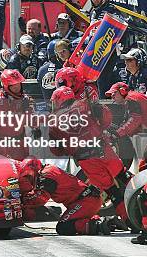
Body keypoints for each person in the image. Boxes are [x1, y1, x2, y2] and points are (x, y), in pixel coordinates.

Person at [50, 86, 131, 224]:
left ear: (58, 100)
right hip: (103, 150)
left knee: (112, 191)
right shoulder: (85, 104)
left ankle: (130, 221)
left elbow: (57, 150)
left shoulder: (54, 120)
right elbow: (107, 119)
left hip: (86, 159)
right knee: (124, 176)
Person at [17, 158, 110, 235]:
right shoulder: (49, 170)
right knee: (71, 221)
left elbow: (40, 199)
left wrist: (20, 201)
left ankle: (99, 224)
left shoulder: (46, 175)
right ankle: (109, 222)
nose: (28, 180)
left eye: (28, 176)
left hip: (85, 201)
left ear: (34, 169)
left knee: (63, 227)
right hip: (85, 200)